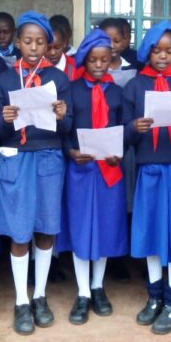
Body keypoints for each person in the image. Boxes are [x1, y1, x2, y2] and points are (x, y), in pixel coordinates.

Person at [0, 11, 72, 336]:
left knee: (46, 229)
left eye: (40, 42)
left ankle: (40, 295)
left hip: (49, 158)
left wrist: (62, 115)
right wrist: (3, 119)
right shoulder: (6, 80)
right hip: (17, 159)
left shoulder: (59, 80)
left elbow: (69, 126)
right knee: (20, 232)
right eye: (28, 41)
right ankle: (21, 300)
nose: (34, 47)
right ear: (17, 43)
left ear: (48, 44)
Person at [124, 20, 171, 335]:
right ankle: (154, 297)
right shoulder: (134, 86)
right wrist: (134, 128)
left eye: (169, 51)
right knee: (153, 233)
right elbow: (122, 134)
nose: (163, 57)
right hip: (150, 169)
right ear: (147, 52)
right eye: (157, 50)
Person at [57, 30, 127, 325]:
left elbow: (124, 129)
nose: (99, 65)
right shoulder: (71, 90)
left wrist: (119, 152)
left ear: (111, 61)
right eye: (93, 60)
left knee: (106, 226)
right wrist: (70, 152)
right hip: (81, 169)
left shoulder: (117, 92)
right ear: (83, 60)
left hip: (109, 169)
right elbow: (62, 129)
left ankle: (98, 286)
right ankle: (83, 291)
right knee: (81, 227)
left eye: (105, 60)